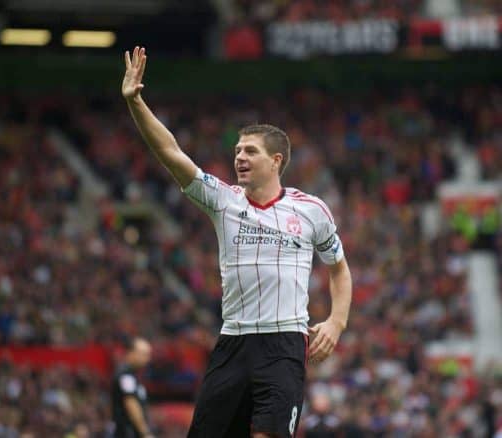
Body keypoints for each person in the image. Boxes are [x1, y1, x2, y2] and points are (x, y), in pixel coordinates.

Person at [122, 46, 352, 438]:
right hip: (233, 342)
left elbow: (340, 270)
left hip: (283, 345)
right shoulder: (223, 200)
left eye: (250, 150)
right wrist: (136, 102)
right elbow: (170, 152)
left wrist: (337, 320)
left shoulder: (312, 210)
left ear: (276, 160)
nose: (240, 157)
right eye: (237, 151)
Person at [111, 336, 155, 438]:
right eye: (144, 354)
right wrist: (145, 433)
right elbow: (131, 403)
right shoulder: (125, 375)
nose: (148, 359)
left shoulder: (133, 375)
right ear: (131, 353)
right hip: (128, 433)